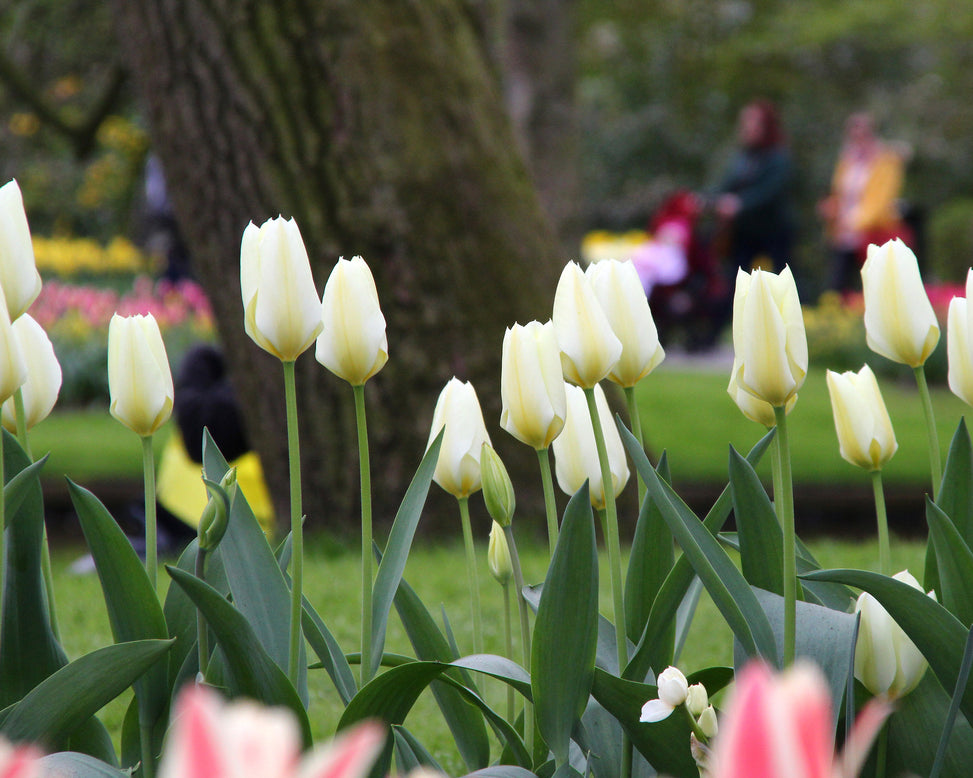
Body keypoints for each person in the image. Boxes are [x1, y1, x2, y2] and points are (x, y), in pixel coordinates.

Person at [817, 112, 912, 291]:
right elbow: (840, 193)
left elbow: (881, 200)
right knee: (838, 283)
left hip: (873, 231)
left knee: (874, 284)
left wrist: (854, 221)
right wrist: (832, 209)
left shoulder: (887, 162)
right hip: (844, 233)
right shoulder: (847, 161)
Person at [712, 99, 795, 274]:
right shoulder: (743, 158)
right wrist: (708, 199)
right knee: (737, 277)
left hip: (773, 231)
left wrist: (739, 204)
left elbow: (769, 192)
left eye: (753, 121)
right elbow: (726, 185)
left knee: (781, 275)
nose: (748, 127)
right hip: (744, 232)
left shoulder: (777, 157)